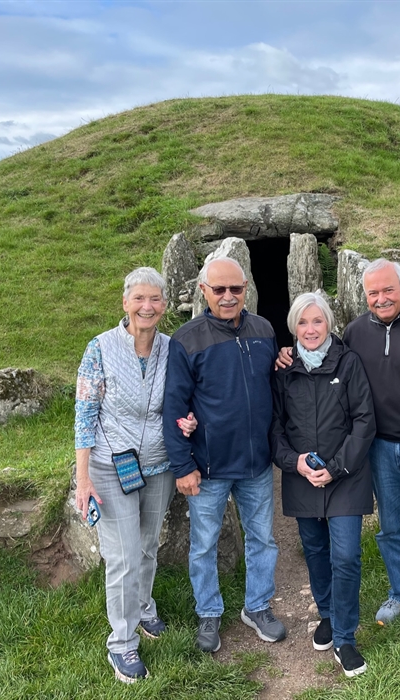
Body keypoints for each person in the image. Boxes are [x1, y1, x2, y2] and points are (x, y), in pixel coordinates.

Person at [277, 258, 400, 659]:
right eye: (373, 293)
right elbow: (321, 351)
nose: (381, 298)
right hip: (379, 448)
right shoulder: (354, 333)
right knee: (390, 531)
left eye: (389, 290)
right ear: (364, 296)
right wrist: (288, 353)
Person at [74, 266, 197, 684]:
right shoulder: (100, 348)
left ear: (164, 305)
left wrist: (189, 423)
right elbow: (85, 414)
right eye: (139, 298)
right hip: (111, 465)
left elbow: (181, 401)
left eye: (155, 299)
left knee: (146, 546)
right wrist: (83, 478)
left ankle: (144, 609)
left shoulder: (171, 348)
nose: (147, 306)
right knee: (124, 556)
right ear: (125, 302)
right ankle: (122, 644)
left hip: (159, 464)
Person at [162, 258, 287, 654]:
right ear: (204, 291)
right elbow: (174, 406)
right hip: (210, 466)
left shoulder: (264, 329)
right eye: (220, 290)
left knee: (263, 539)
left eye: (235, 289)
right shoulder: (186, 339)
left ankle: (258, 606)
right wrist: (183, 465)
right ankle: (209, 611)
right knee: (204, 544)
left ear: (245, 287)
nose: (228, 296)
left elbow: (272, 385)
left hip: (256, 463)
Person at [270, 293, 376, 677]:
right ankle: (328, 613)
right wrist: (293, 462)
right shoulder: (283, 369)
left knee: (345, 555)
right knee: (315, 550)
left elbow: (365, 420)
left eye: (317, 321)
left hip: (345, 475)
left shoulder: (348, 363)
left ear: (329, 323)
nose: (310, 329)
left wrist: (336, 468)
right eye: (302, 322)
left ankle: (346, 638)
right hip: (302, 476)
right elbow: (275, 427)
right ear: (293, 328)